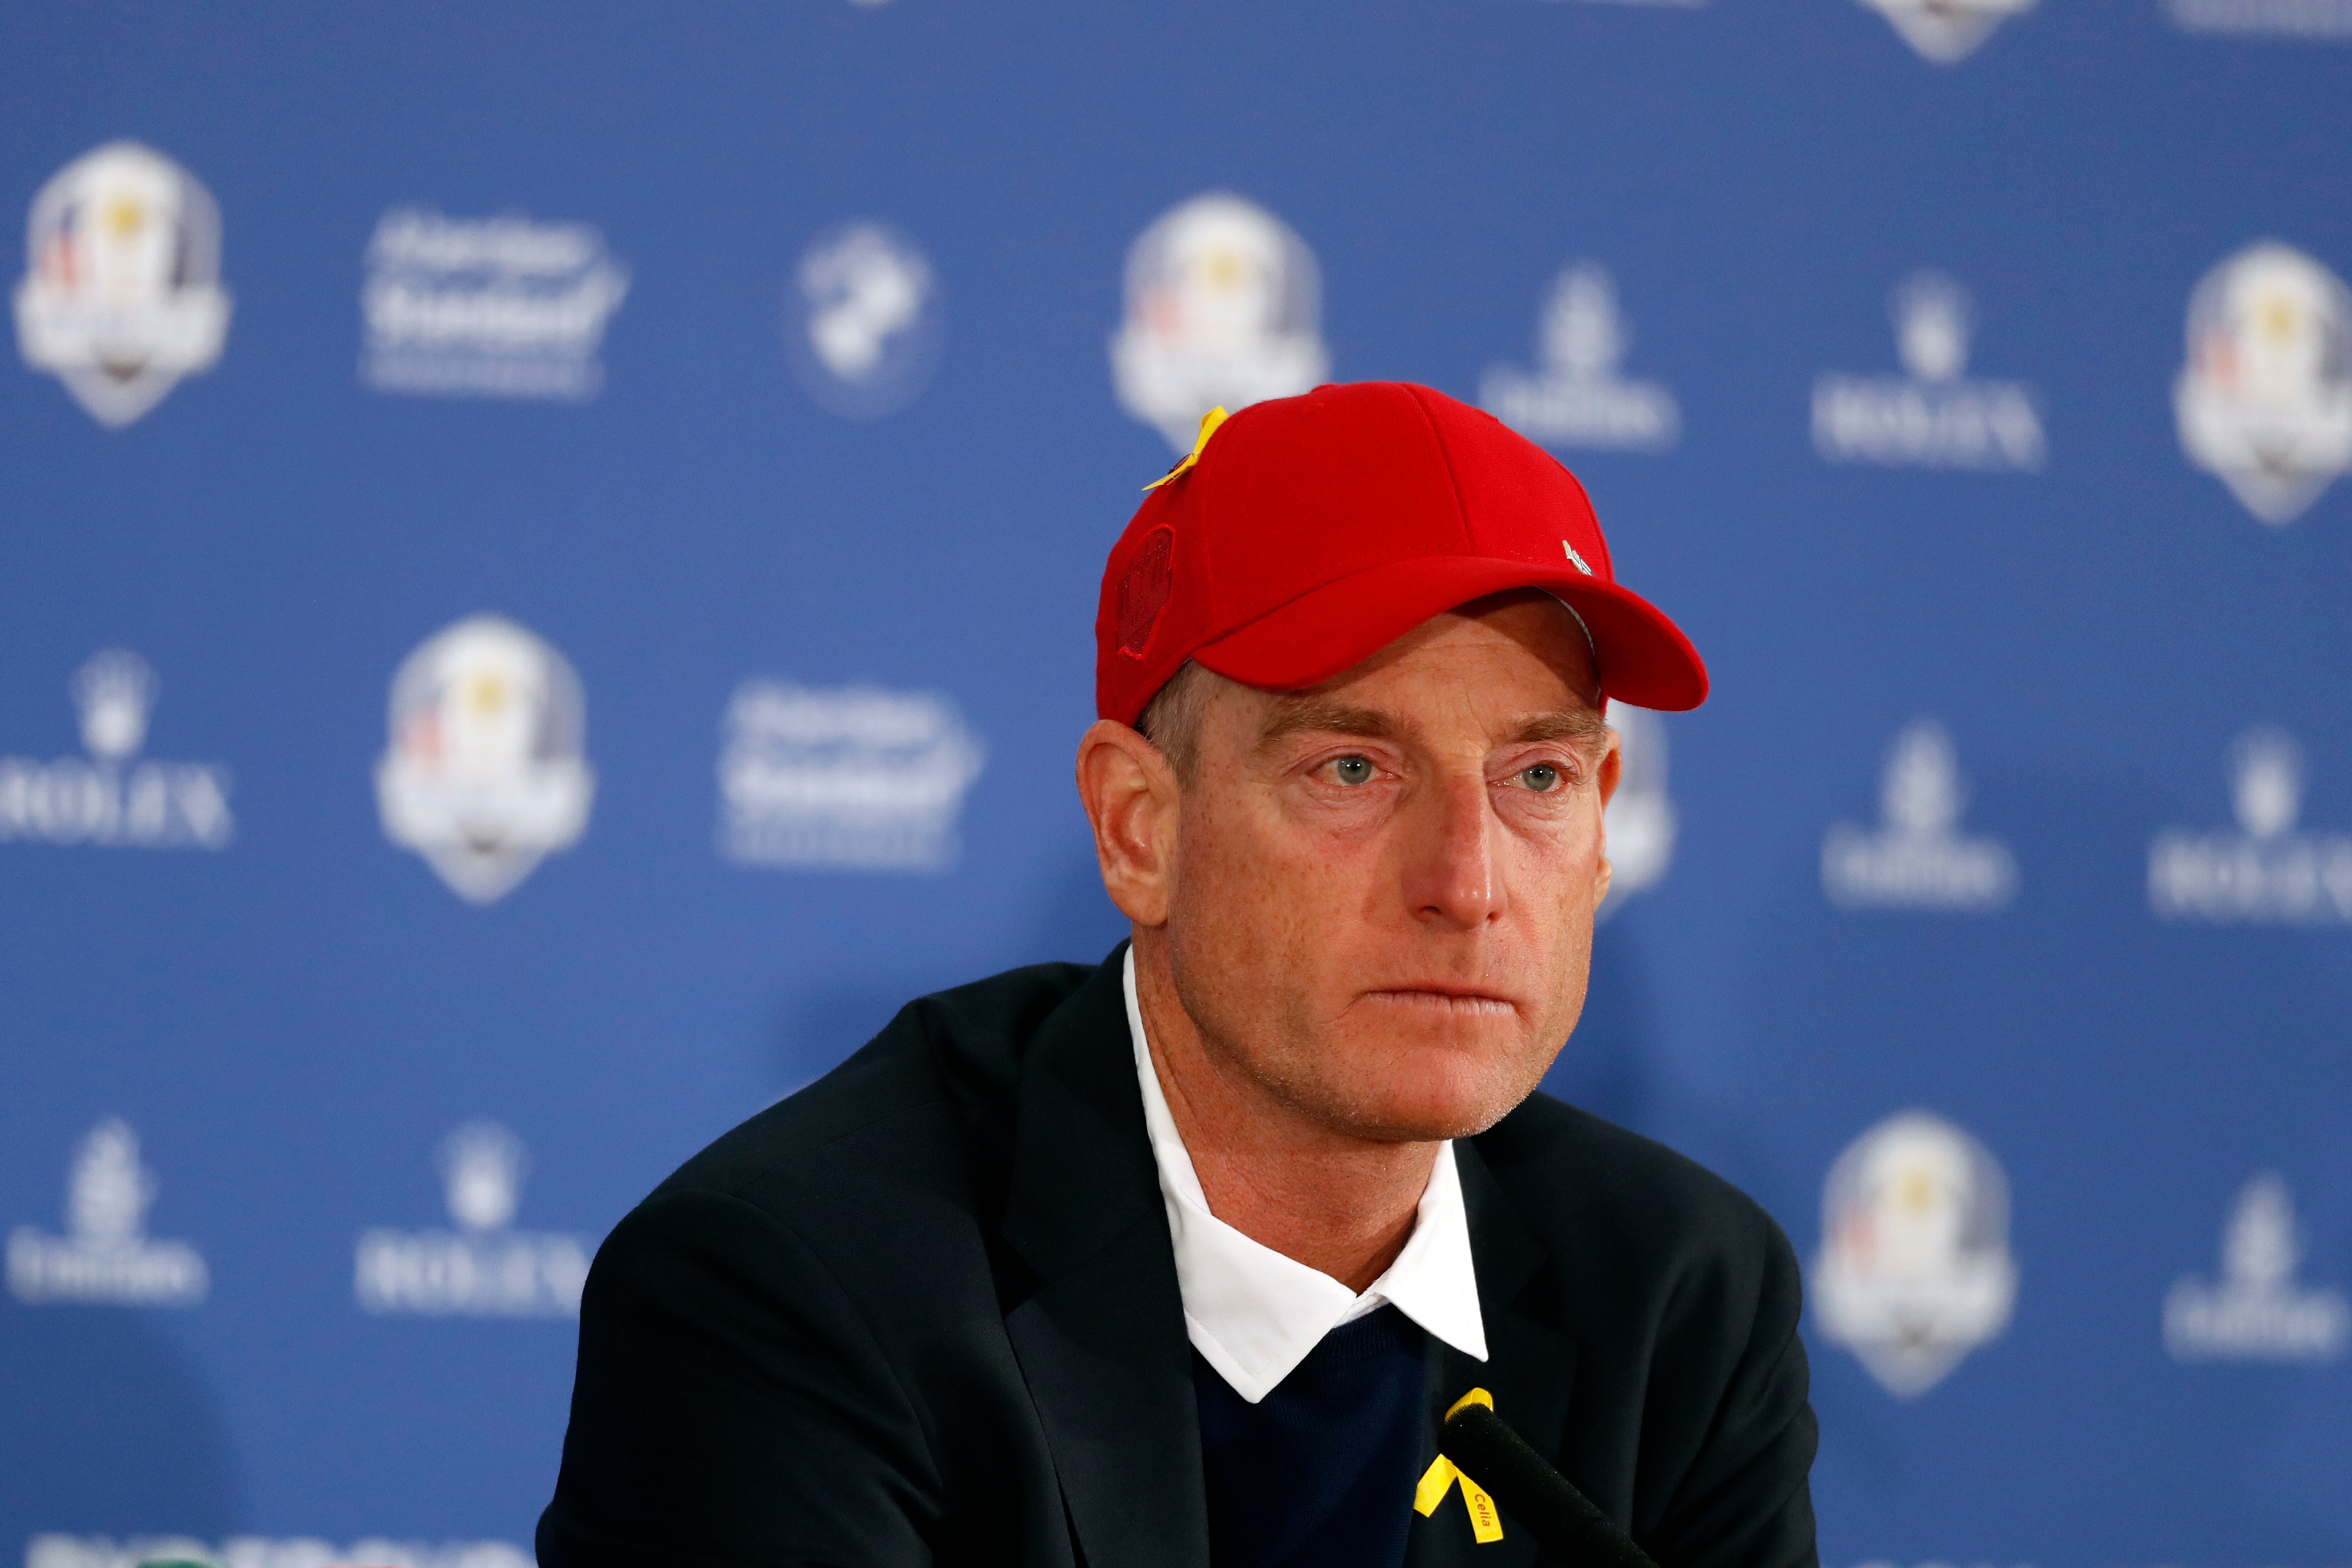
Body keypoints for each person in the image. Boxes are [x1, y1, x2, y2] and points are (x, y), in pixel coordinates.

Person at [538, 381, 1818, 1568]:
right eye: (1353, 771)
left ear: (1602, 824)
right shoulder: (791, 1297)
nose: (1468, 883)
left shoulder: (1681, 1296)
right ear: (1140, 829)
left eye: (1535, 778)